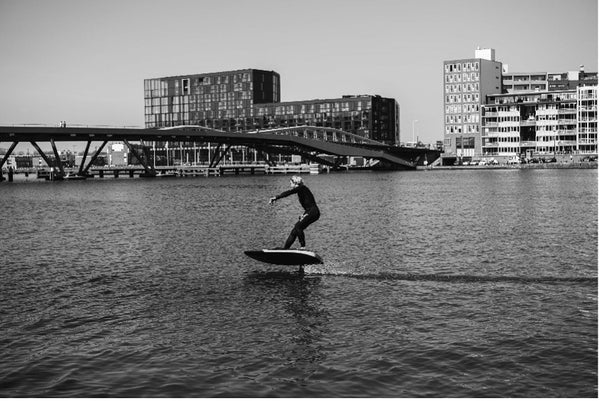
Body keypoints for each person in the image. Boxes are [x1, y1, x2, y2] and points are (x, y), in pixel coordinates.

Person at [269, 175, 320, 250]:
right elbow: (308, 204)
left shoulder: (302, 188)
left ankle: (303, 247)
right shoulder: (300, 190)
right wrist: (304, 214)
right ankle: (285, 249)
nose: (290, 185)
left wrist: (276, 197)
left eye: (291, 183)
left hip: (313, 211)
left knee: (298, 226)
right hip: (310, 211)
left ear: (295, 183)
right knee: (295, 231)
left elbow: (289, 192)